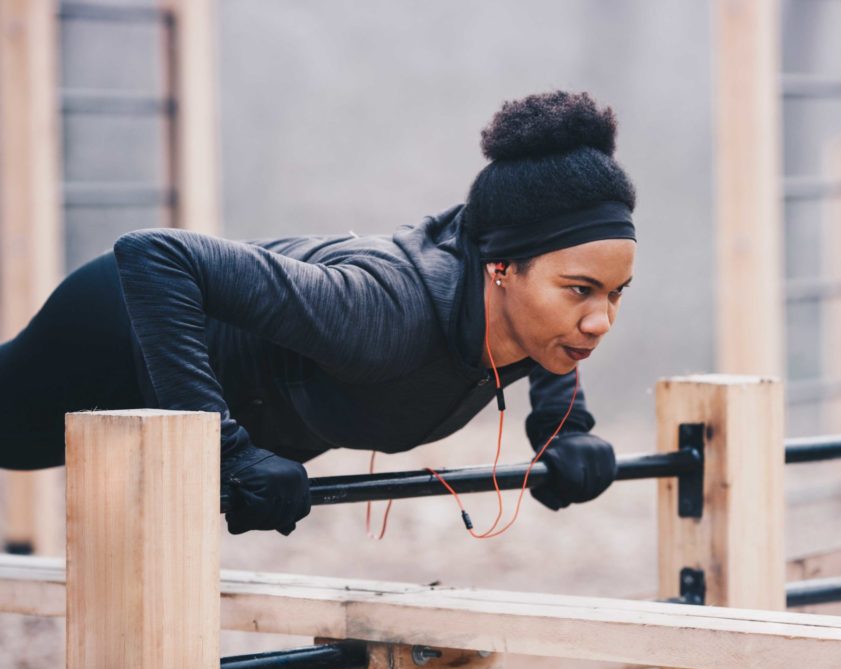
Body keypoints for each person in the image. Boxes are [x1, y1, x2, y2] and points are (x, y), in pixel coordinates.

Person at [0, 90, 637, 537]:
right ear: (502, 271)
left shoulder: (535, 317)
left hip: (186, 375)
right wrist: (226, 453)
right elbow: (155, 257)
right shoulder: (384, 313)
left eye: (615, 293)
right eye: (580, 290)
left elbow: (558, 338)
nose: (599, 321)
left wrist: (564, 425)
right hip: (125, 326)